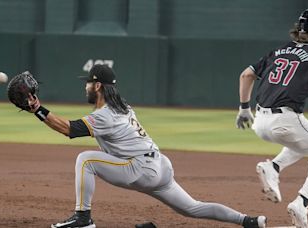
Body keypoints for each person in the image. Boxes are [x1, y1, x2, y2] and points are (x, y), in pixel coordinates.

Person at [23, 64, 267, 228]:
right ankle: (249, 221)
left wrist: (37, 110)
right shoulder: (122, 107)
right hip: (160, 165)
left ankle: (83, 218)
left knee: (86, 159)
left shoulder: (106, 115)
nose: (85, 86)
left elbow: (68, 129)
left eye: (88, 83)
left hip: (141, 168)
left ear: (97, 86)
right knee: (192, 207)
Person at [235, 8, 308, 228]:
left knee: (305, 141)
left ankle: (273, 167)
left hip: (260, 121)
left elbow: (246, 74)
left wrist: (244, 108)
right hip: (285, 120)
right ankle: (301, 203)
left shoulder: (280, 50)